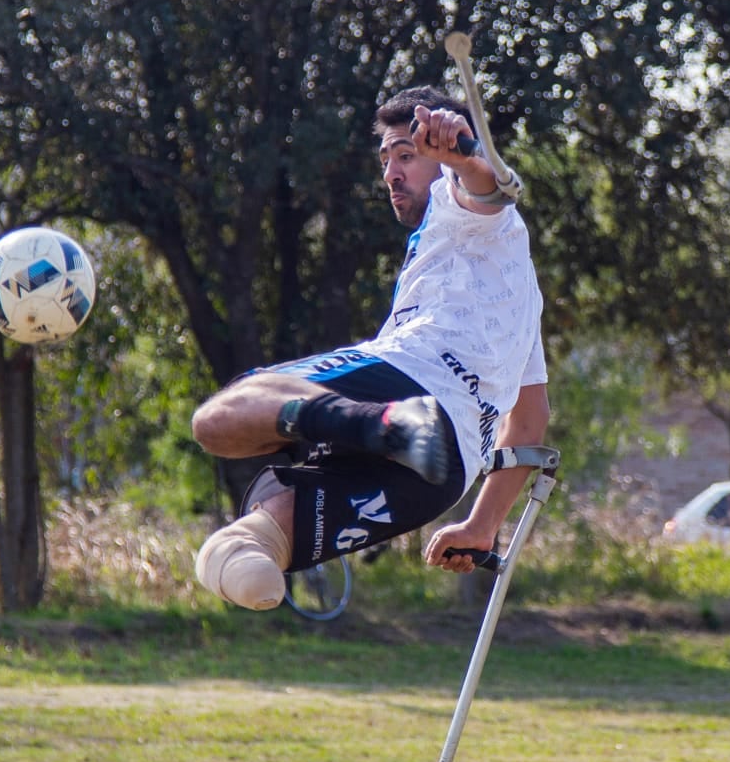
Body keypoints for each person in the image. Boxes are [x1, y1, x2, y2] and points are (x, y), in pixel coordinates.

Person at [191, 85, 550, 611]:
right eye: (386, 160)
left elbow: (487, 188)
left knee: (222, 414)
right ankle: (359, 443)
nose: (391, 174)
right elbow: (530, 420)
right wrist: (481, 525)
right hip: (445, 473)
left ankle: (378, 425)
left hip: (413, 384)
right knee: (251, 556)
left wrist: (463, 153)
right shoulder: (518, 284)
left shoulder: (465, 203)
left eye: (406, 155)